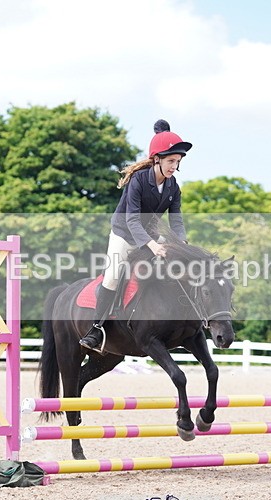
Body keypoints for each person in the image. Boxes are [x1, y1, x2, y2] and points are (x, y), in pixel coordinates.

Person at [79, 119, 192, 351]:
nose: (174, 166)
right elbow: (131, 220)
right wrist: (151, 245)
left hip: (148, 236)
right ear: (157, 159)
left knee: (175, 262)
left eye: (177, 162)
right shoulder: (137, 181)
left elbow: (176, 220)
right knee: (112, 276)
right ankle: (96, 329)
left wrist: (180, 241)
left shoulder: (173, 188)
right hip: (124, 235)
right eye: (170, 161)